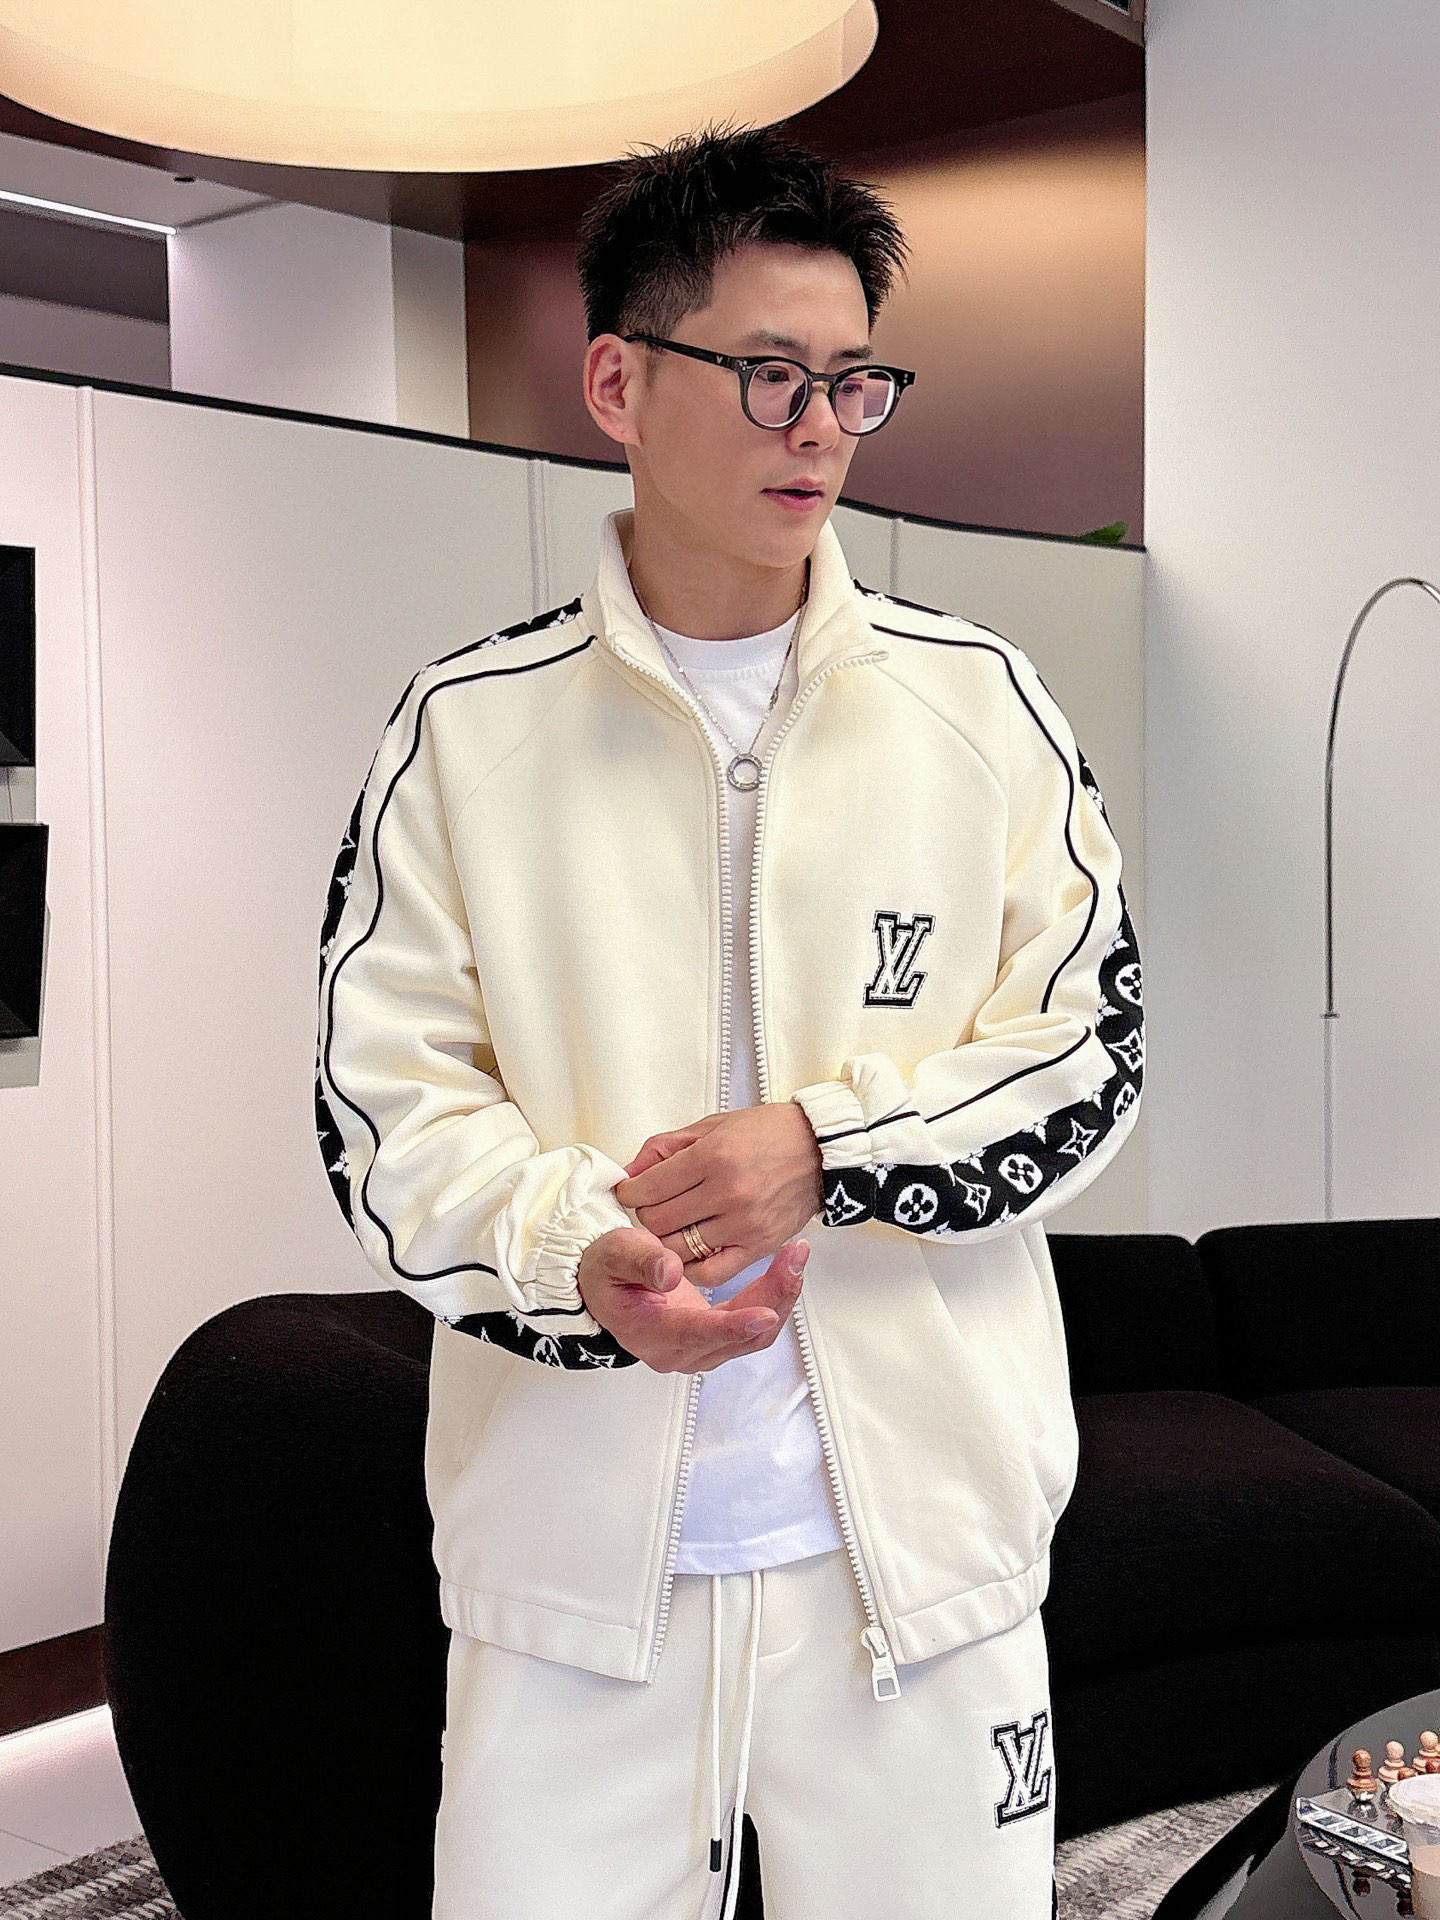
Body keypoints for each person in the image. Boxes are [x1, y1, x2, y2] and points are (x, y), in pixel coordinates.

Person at [314, 116, 1144, 1920]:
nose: (821, 428)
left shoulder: (984, 706)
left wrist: (826, 1149)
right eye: (771, 374)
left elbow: (1090, 1050)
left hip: (918, 1561)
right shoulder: (465, 731)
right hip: (571, 1575)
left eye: (855, 383)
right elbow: (387, 1114)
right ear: (619, 380)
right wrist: (579, 1252)